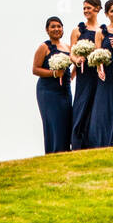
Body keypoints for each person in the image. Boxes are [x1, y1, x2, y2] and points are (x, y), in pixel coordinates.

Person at [86, 0, 113, 148]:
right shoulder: (101, 31)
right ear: (106, 14)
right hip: (107, 74)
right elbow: (97, 53)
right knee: (104, 106)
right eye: (112, 11)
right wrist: (100, 68)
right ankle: (101, 140)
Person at [32, 17, 74, 153]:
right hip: (48, 91)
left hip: (65, 90)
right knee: (54, 123)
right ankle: (54, 152)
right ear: (47, 30)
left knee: (66, 121)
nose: (56, 29)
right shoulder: (44, 47)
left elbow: (75, 65)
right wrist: (54, 73)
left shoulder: (68, 47)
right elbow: (35, 69)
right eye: (53, 27)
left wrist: (71, 76)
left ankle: (65, 152)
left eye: (59, 26)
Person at [70, 0, 102, 149]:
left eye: (88, 8)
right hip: (84, 72)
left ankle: (93, 140)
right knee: (82, 102)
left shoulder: (102, 29)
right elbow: (71, 52)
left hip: (98, 71)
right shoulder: (78, 30)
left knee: (96, 102)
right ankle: (77, 140)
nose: (86, 11)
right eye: (84, 8)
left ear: (97, 9)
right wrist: (77, 60)